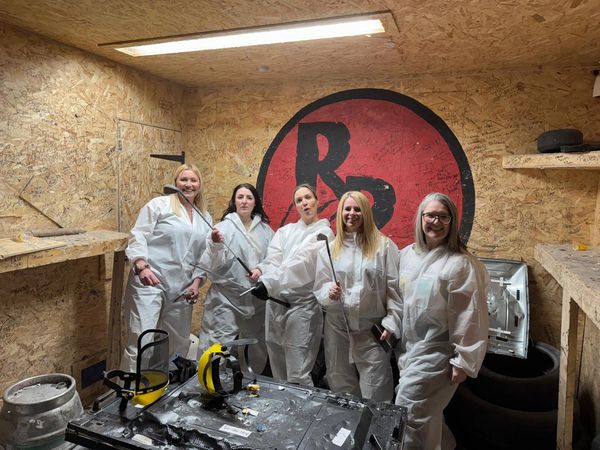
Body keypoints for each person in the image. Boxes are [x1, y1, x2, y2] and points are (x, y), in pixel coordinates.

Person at [395, 192, 489, 450]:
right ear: (420, 218)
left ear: (452, 221)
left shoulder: (460, 264)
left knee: (410, 412)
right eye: (430, 215)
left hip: (439, 353)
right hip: (411, 349)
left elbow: (470, 315)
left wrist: (463, 360)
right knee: (428, 415)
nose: (435, 222)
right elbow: (398, 298)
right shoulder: (407, 256)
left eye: (443, 216)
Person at [120, 163, 213, 372]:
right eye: (184, 179)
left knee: (178, 341)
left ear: (199, 185)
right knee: (142, 340)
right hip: (150, 281)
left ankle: (167, 389)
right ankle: (130, 394)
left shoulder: (204, 217)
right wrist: (141, 266)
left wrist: (197, 282)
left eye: (193, 180)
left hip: (182, 287)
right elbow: (138, 235)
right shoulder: (159, 205)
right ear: (176, 182)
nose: (188, 184)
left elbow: (204, 255)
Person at [313, 191, 402, 402]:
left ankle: (376, 435)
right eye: (347, 208)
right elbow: (320, 284)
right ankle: (347, 432)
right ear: (340, 212)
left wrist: (391, 322)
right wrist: (329, 291)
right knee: (340, 384)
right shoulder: (331, 248)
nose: (351, 213)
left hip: (371, 331)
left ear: (366, 213)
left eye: (357, 209)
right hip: (338, 330)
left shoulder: (384, 247)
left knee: (376, 390)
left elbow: (395, 291)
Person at [250, 183, 334, 386]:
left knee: (297, 370)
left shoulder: (324, 234)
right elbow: (273, 259)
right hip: (275, 303)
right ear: (295, 206)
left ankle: (303, 416)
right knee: (277, 361)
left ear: (317, 201)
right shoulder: (285, 232)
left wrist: (270, 283)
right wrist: (263, 271)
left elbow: (302, 265)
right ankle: (284, 413)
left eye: (308, 198)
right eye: (299, 200)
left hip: (301, 306)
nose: (304, 203)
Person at [197, 183, 274, 373]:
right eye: (240, 197)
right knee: (218, 343)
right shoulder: (221, 229)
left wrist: (260, 269)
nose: (244, 201)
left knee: (255, 347)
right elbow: (211, 265)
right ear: (234, 201)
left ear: (255, 202)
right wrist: (216, 245)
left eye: (249, 197)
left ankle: (249, 385)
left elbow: (274, 259)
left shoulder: (266, 231)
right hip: (226, 298)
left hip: (255, 301)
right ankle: (210, 385)